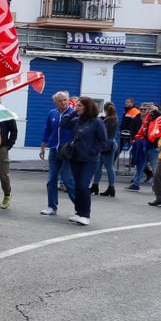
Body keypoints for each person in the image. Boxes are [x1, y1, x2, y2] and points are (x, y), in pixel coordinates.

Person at [65, 97, 109, 226]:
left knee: (83, 185)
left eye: (79, 106)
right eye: (76, 105)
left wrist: (93, 151)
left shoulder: (97, 122)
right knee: (77, 186)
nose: (76, 107)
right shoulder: (77, 120)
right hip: (75, 158)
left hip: (90, 160)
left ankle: (85, 215)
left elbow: (103, 141)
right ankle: (78, 212)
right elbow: (64, 123)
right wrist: (73, 112)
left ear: (87, 107)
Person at [38, 91, 75, 215]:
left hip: (68, 151)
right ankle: (52, 207)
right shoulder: (52, 113)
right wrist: (43, 147)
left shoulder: (74, 114)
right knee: (51, 180)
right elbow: (47, 130)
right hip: (54, 150)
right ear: (55, 102)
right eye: (60, 100)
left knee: (66, 178)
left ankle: (80, 207)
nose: (64, 102)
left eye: (65, 100)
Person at [128, 102, 161, 191]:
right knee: (139, 166)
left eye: (145, 109)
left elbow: (160, 117)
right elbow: (132, 130)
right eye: (141, 109)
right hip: (140, 146)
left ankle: (156, 186)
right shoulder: (137, 118)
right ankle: (136, 183)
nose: (142, 111)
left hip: (153, 147)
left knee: (155, 167)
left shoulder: (154, 119)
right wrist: (133, 139)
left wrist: (154, 109)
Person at [90, 101, 119, 197]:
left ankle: (109, 188)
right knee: (102, 166)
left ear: (106, 109)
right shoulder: (113, 119)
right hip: (109, 144)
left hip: (107, 145)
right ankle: (98, 186)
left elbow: (102, 131)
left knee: (107, 167)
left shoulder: (109, 120)